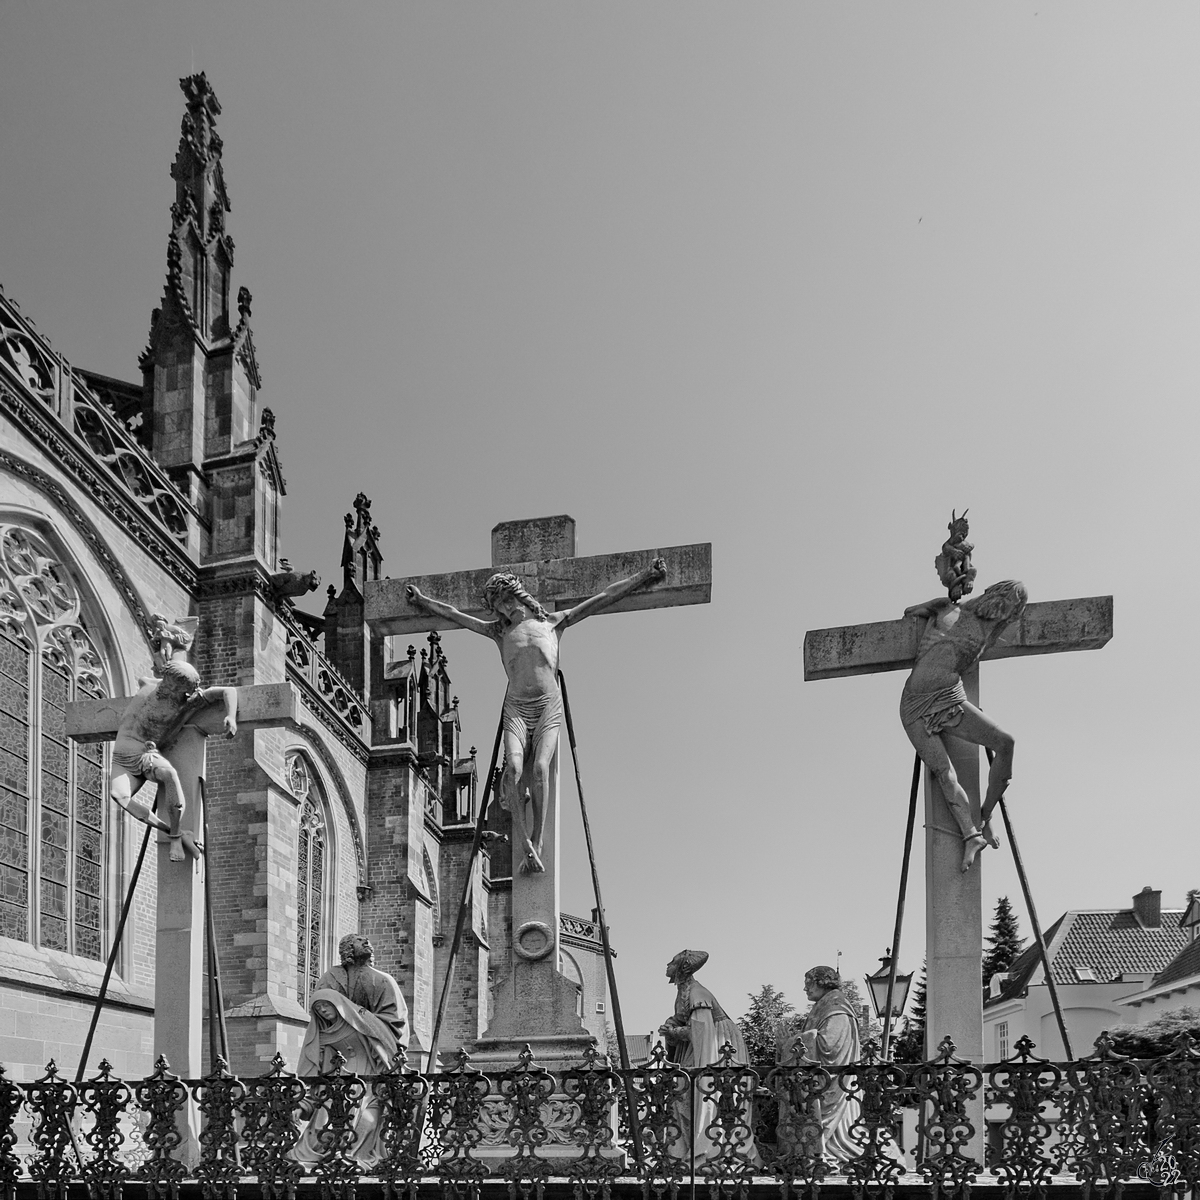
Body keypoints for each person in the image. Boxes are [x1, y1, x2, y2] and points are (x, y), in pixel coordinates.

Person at [405, 559, 666, 874]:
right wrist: (421, 601)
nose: (500, 610)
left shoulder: (553, 623)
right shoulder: (499, 632)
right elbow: (454, 615)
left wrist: (644, 576)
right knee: (513, 768)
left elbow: (604, 597)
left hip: (546, 706)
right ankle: (520, 829)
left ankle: (536, 841)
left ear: (515, 595)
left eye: (502, 602)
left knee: (540, 768)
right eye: (496, 606)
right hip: (516, 707)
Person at [900, 579, 1028, 872]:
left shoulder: (987, 635)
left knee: (1006, 743)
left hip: (951, 697)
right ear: (996, 594)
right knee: (945, 773)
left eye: (1011, 609)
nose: (1003, 610)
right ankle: (970, 834)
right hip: (915, 705)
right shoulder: (946, 608)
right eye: (1006, 601)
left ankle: (985, 815)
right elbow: (913, 612)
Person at [109, 614, 236, 862]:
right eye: (167, 683)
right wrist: (168, 639)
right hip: (122, 755)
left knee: (169, 774)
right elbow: (165, 662)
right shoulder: (148, 684)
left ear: (184, 690)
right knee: (119, 796)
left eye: (174, 688)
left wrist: (231, 716)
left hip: (146, 755)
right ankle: (174, 833)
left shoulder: (189, 703)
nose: (167, 688)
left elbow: (228, 691)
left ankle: (177, 836)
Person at [659, 949, 757, 1166]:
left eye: (672, 962)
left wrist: (673, 1032)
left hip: (719, 1045)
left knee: (705, 1093)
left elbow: (701, 1029)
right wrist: (673, 1023)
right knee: (683, 1092)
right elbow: (685, 1020)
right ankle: (686, 1149)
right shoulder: (684, 991)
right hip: (699, 1046)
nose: (668, 964)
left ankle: (708, 1152)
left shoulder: (697, 993)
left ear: (682, 968)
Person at [293, 988, 399, 1168]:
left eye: (326, 1005)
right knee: (323, 1121)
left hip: (369, 1085)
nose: (323, 1010)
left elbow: (382, 1053)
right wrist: (303, 1103)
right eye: (318, 1008)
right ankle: (322, 1158)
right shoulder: (323, 1036)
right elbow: (319, 1072)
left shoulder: (361, 1022)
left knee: (368, 1121)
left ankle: (351, 1159)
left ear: (337, 1003)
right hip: (339, 1087)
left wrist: (386, 1082)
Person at [776, 966, 862, 1166]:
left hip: (830, 1087)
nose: (805, 988)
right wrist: (793, 1042)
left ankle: (820, 1153)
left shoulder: (837, 1008)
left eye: (808, 982)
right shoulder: (826, 1005)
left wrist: (789, 1043)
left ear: (822, 981)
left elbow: (829, 1046)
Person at [311, 933, 409, 1052]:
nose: (366, 942)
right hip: (338, 1048)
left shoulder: (382, 980)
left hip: (373, 1044)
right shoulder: (330, 978)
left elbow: (395, 1020)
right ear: (348, 948)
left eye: (367, 940)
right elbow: (320, 1012)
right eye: (359, 940)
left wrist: (358, 1019)